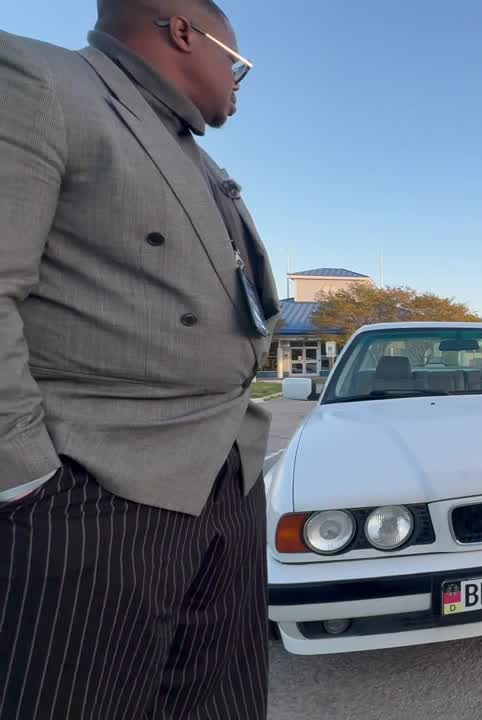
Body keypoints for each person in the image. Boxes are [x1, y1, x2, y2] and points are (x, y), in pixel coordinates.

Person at [0, 1, 278, 717]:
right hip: (97, 487)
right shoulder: (41, 81)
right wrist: (23, 476)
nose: (237, 82)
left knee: (220, 701)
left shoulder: (196, 154)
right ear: (183, 32)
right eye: (236, 63)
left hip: (226, 475)